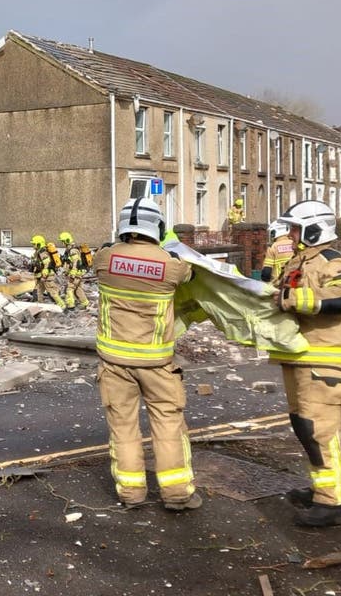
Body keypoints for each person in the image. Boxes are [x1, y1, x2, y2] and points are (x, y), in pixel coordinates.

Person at [94, 197, 201, 512]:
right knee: (168, 426)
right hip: (157, 363)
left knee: (123, 428)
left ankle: (131, 493)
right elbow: (191, 275)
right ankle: (177, 495)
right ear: (158, 227)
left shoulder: (105, 259)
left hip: (114, 363)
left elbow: (100, 256)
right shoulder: (171, 266)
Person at [270, 200, 341, 528]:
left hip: (324, 359)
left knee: (320, 430)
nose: (290, 235)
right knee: (305, 427)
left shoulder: (333, 261)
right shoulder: (299, 261)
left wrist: (292, 299)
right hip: (300, 357)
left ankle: (333, 503)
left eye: (295, 229)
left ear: (313, 229)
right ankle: (323, 489)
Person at [58, 231, 91, 311]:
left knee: (69, 289)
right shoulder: (70, 249)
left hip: (76, 273)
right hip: (78, 272)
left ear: (67, 240)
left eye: (63, 241)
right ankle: (85, 303)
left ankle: (70, 306)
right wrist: (67, 271)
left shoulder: (72, 250)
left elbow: (75, 261)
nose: (62, 243)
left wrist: (73, 272)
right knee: (77, 289)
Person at [30, 235, 65, 308]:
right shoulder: (38, 252)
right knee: (38, 291)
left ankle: (62, 306)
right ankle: (39, 305)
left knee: (52, 292)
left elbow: (47, 263)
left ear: (38, 244)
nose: (33, 246)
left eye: (34, 244)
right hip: (41, 276)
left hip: (47, 276)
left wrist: (44, 274)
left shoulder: (43, 252)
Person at [260, 221, 295, 286]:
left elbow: (266, 272)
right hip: (294, 282)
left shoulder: (273, 247)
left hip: (279, 284)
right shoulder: (294, 244)